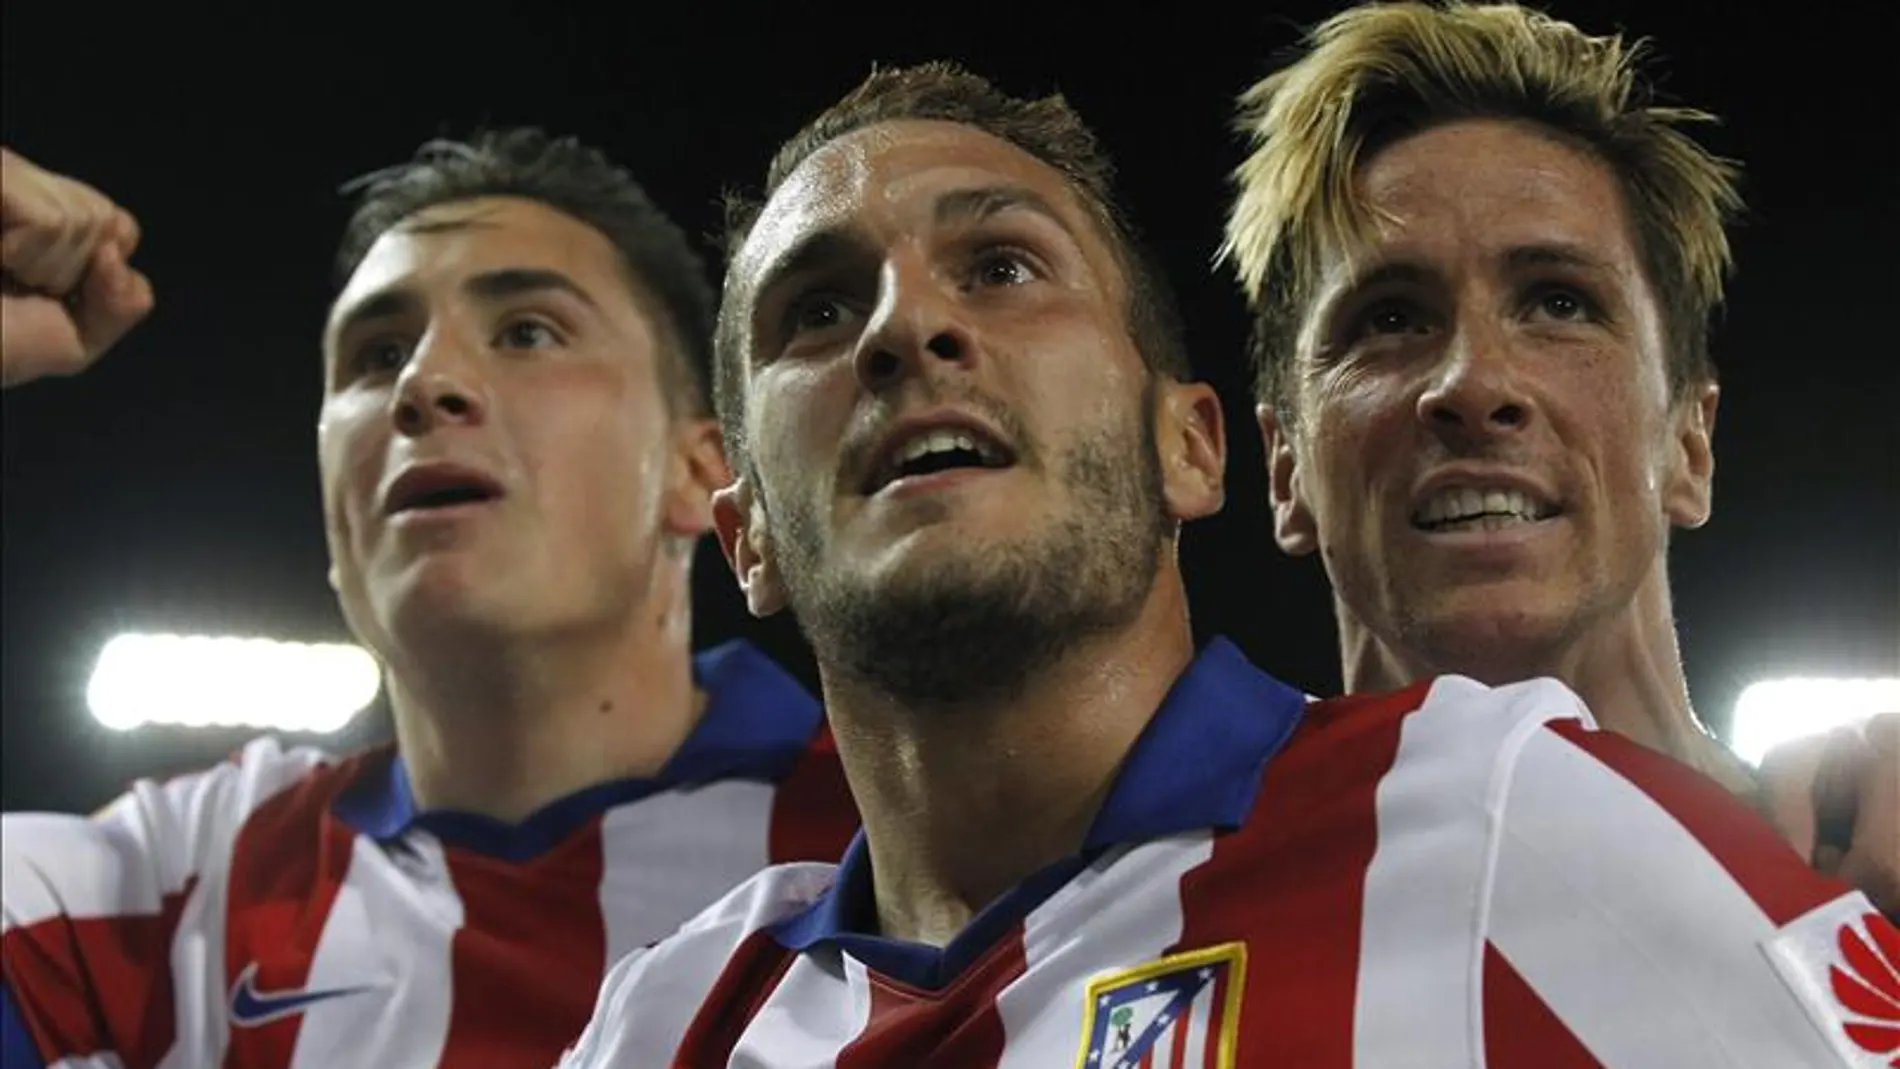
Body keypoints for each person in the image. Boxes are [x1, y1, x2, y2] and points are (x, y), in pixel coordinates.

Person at [558, 62, 1892, 1067]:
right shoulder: (662, 1020)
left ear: (1188, 448)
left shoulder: (1509, 816)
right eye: (817, 309)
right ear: (744, 535)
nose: (906, 329)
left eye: (1003, 267)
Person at [0, 131, 858, 1068]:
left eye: (527, 331)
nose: (421, 384)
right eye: (376, 355)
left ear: (702, 472)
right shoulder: (183, 882)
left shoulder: (889, 838)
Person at [1218, 0, 1897, 916]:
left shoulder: (1863, 875)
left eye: (1560, 303)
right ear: (1285, 469)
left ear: (1690, 442)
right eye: (1390, 318)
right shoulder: (1147, 932)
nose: (1472, 382)